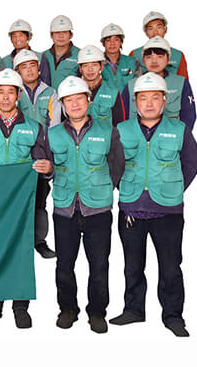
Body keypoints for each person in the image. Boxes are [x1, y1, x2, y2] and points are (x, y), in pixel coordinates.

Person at [110, 72, 197, 337]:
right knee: (132, 265)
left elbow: (191, 164)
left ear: (164, 100)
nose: (149, 104)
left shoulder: (180, 130)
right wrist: (128, 189)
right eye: (143, 98)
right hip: (131, 209)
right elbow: (113, 165)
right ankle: (133, 310)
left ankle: (173, 316)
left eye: (155, 98)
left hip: (168, 211)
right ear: (135, 101)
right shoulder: (122, 130)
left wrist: (171, 188)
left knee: (170, 267)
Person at [0, 68, 51, 329]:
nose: (5, 98)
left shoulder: (34, 128)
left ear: (18, 95)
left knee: (21, 252)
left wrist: (47, 168)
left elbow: (44, 164)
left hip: (21, 204)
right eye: (1, 92)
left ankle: (20, 306)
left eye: (11, 92)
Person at [46, 76, 124, 334]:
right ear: (62, 105)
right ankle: (67, 309)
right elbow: (48, 168)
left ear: (89, 100)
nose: (75, 104)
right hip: (65, 208)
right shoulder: (53, 134)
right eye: (69, 100)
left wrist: (102, 188)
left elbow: (117, 166)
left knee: (99, 265)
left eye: (79, 98)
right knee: (64, 264)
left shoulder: (107, 131)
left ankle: (97, 312)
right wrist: (48, 171)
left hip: (98, 210)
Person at [11, 49, 60, 258]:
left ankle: (39, 240)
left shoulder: (51, 93)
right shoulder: (12, 92)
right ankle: (15, 241)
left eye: (32, 66)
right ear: (17, 71)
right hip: (19, 154)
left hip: (41, 153)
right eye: (24, 67)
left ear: (39, 69)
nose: (29, 70)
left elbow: (55, 124)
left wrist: (49, 157)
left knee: (40, 200)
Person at [121, 36, 196, 131]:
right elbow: (122, 116)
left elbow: (189, 116)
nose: (154, 61)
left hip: (170, 137)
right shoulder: (131, 85)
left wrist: (180, 136)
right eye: (149, 57)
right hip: (136, 137)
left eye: (160, 57)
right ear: (143, 60)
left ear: (168, 59)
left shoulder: (181, 83)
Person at [130, 11, 189, 79]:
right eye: (151, 29)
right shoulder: (134, 55)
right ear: (146, 32)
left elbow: (183, 82)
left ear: (165, 29)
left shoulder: (178, 55)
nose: (155, 32)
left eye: (159, 27)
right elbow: (129, 82)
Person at [77, 45, 125, 126]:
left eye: (94, 65)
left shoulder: (113, 92)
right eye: (86, 65)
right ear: (80, 69)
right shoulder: (72, 91)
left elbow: (119, 125)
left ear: (102, 67)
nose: (90, 69)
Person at [40, 15, 80, 89]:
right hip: (48, 96)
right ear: (51, 35)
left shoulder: (80, 55)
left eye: (65, 32)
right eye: (57, 32)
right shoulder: (44, 56)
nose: (61, 36)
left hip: (70, 96)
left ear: (71, 35)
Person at [100, 23, 139, 92]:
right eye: (108, 40)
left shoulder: (133, 62)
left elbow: (139, 85)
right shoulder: (97, 63)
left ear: (121, 42)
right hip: (104, 99)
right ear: (103, 43)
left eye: (116, 40)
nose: (112, 43)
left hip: (128, 99)